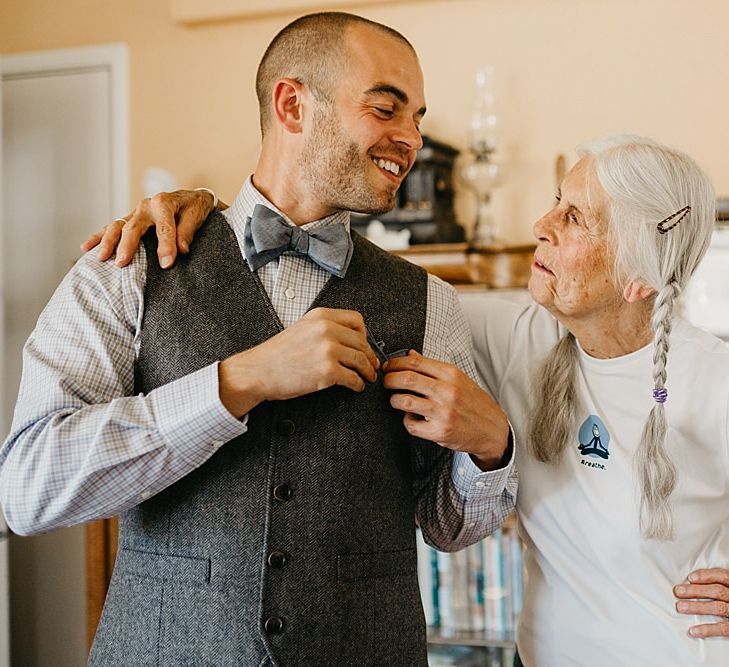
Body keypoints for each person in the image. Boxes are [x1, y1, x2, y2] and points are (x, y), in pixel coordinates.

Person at [0, 12, 516, 667]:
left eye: (416, 116)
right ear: (292, 104)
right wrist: (238, 381)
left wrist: (488, 450)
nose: (411, 138)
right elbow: (28, 491)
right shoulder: (129, 264)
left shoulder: (429, 303)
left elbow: (448, 525)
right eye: (387, 108)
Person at [117, 135, 729, 665]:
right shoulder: (515, 336)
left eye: (575, 218)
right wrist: (215, 214)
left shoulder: (717, 380)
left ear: (639, 276)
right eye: (556, 203)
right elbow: (358, 279)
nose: (542, 224)